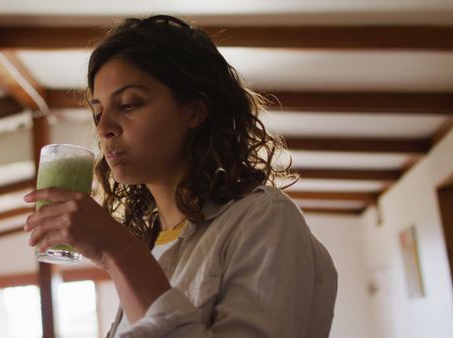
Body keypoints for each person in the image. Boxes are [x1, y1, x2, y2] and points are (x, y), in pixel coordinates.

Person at [24, 15, 337, 338]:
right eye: (98, 111)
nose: (104, 128)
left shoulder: (263, 218)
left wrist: (116, 250)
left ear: (195, 111)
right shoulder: (153, 245)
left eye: (129, 104)